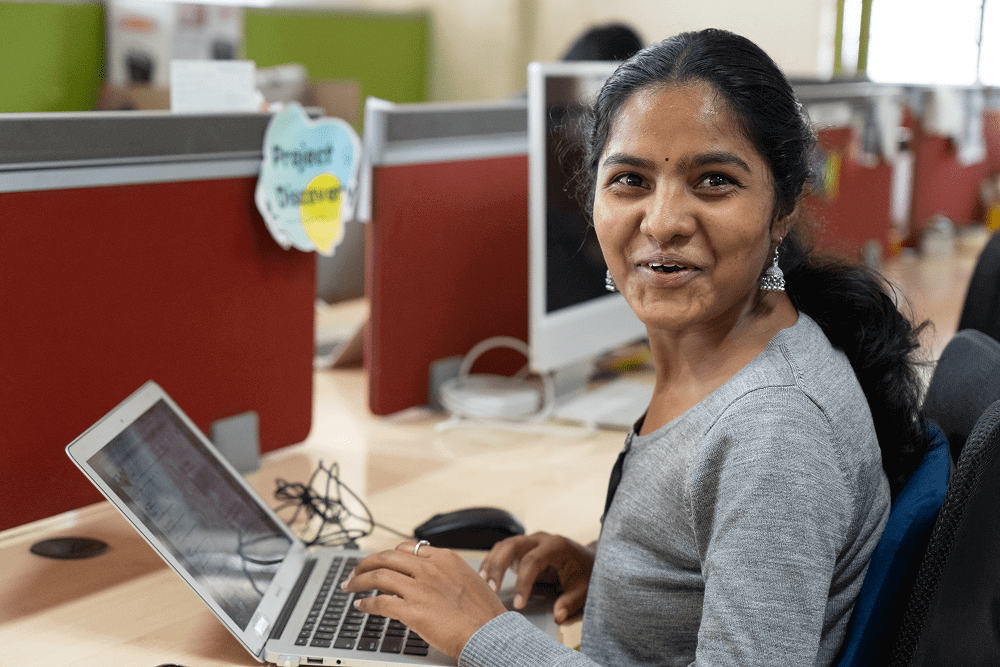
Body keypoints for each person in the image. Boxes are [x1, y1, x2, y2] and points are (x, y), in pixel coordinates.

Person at [343, 28, 929, 666]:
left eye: (713, 181)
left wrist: (486, 637)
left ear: (782, 209)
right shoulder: (723, 358)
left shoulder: (773, 432)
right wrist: (621, 573)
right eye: (629, 180)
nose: (663, 221)